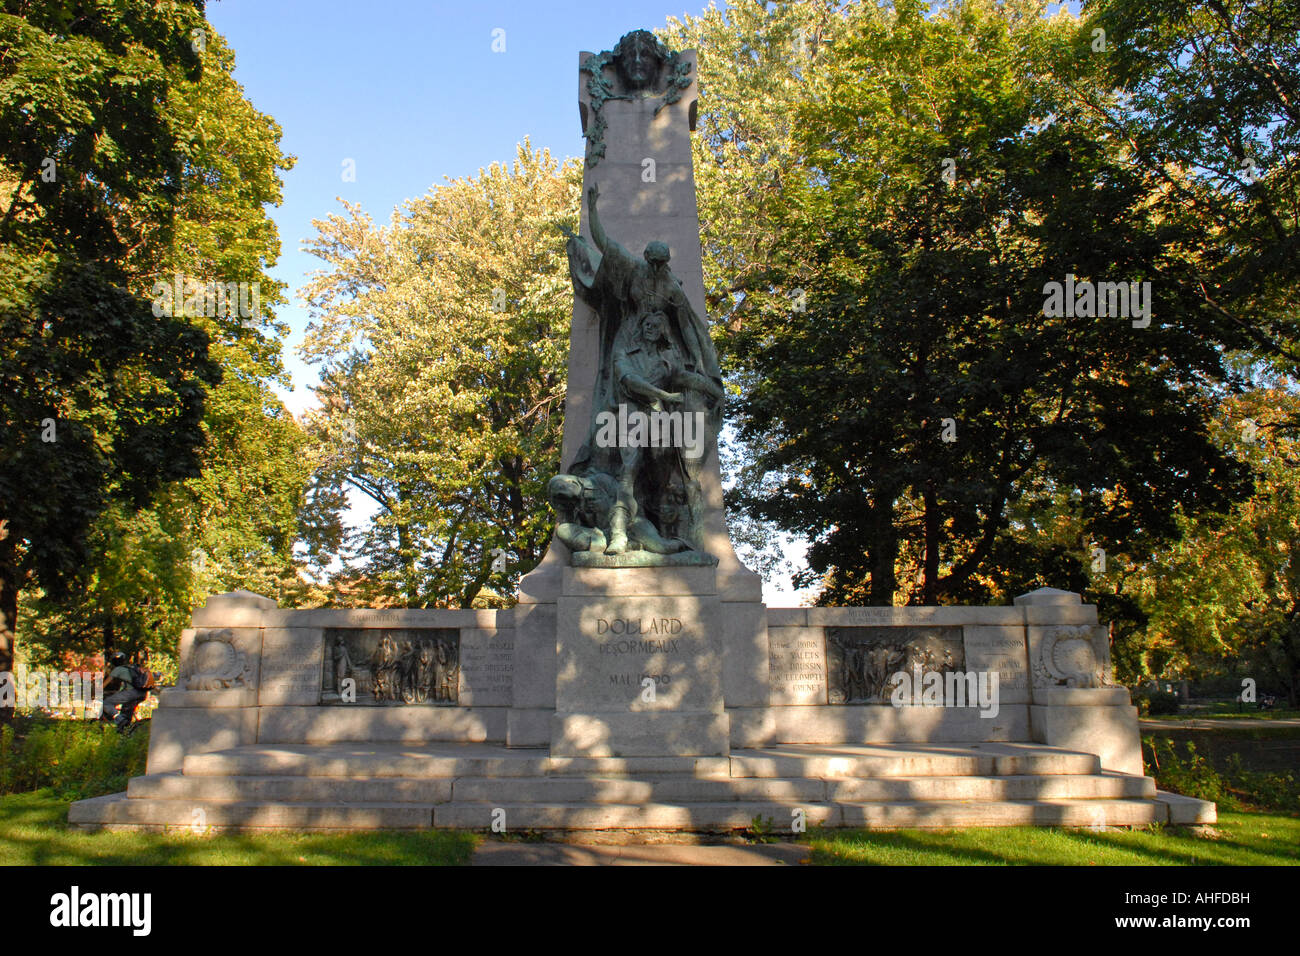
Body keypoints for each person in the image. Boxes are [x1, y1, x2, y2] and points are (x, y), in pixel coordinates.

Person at [100, 651, 146, 734]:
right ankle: (125, 731)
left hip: (131, 693)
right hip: (142, 693)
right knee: (126, 712)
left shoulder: (118, 669)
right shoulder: (131, 668)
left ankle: (120, 720)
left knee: (106, 703)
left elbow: (105, 684)